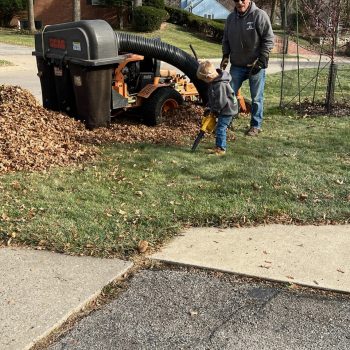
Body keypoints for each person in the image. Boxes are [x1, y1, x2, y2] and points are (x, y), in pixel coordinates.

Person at [221, 0, 274, 136]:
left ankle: (255, 126)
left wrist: (261, 60)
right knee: (229, 94)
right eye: (236, 0)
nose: (239, 3)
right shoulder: (231, 18)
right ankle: (227, 121)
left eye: (242, 0)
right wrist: (225, 55)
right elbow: (226, 39)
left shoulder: (259, 15)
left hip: (255, 65)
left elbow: (269, 39)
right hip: (237, 65)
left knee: (256, 98)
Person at [197, 60, 238, 155]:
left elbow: (221, 101)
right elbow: (214, 98)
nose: (205, 82)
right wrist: (210, 106)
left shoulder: (220, 85)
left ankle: (221, 149)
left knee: (220, 128)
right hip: (224, 107)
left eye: (204, 80)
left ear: (208, 77)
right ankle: (218, 146)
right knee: (219, 128)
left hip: (228, 109)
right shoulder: (216, 81)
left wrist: (214, 111)